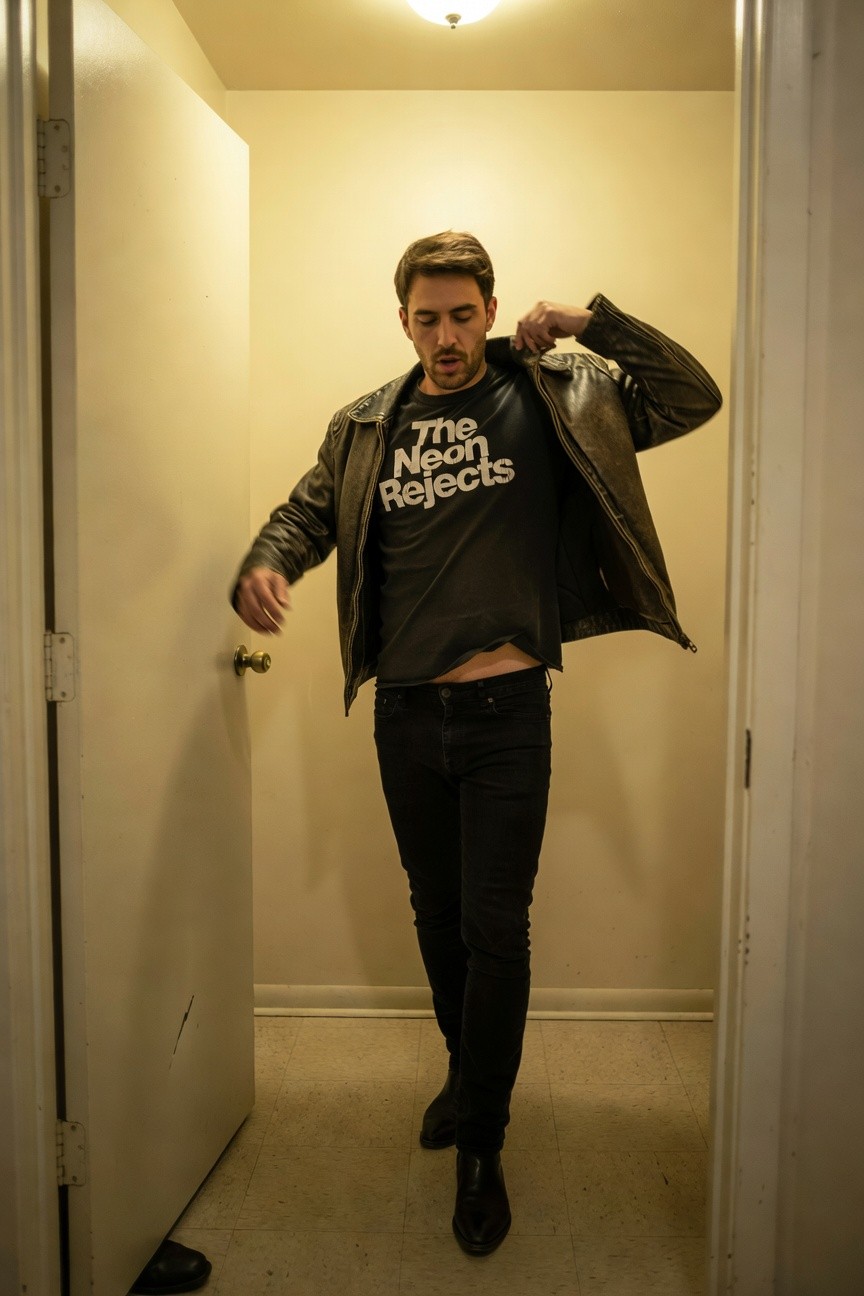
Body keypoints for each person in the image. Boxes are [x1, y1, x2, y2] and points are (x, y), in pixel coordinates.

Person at [231, 231, 721, 1257]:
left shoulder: (553, 397)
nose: (445, 337)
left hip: (507, 717)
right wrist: (266, 564)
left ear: (490, 311)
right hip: (407, 716)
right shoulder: (366, 424)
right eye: (426, 318)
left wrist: (593, 324)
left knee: (498, 927)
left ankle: (484, 1145)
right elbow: (305, 513)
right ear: (401, 319)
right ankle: (467, 1072)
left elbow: (690, 396)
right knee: (438, 913)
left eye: (462, 315)